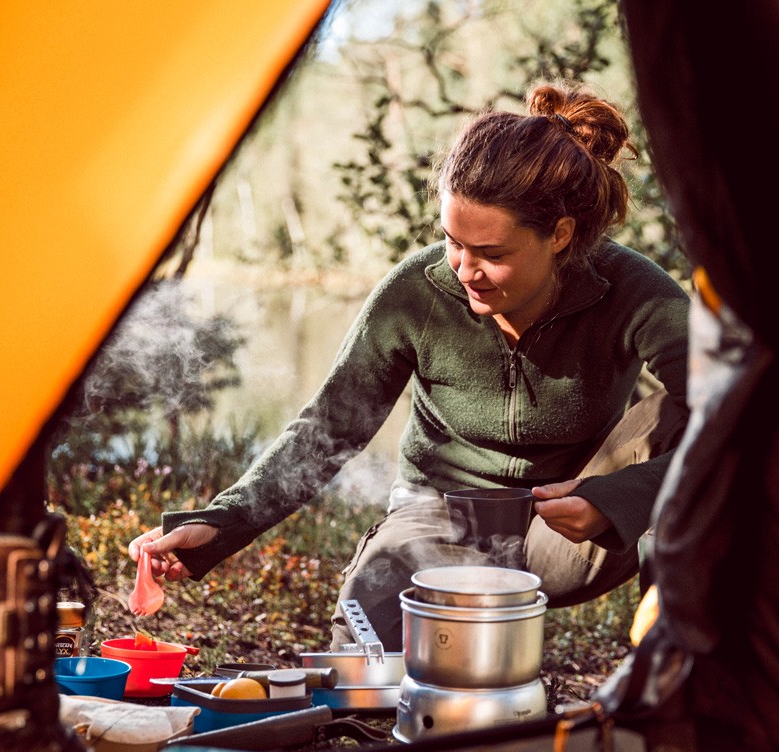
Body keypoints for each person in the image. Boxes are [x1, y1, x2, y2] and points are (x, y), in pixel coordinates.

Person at [128, 83, 691, 650]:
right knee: (365, 651)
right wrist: (224, 522)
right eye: (452, 242)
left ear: (560, 236)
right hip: (439, 522)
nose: (464, 270)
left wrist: (620, 496)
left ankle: (675, 666)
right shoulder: (415, 292)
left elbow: (744, 408)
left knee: (689, 412)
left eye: (492, 255)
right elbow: (330, 427)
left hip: (570, 528)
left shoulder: (633, 291)